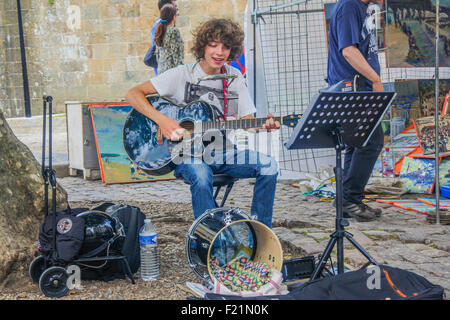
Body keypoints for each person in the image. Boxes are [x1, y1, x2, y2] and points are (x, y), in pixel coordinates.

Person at [126, 19, 280, 228]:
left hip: (223, 151)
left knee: (269, 166)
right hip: (186, 154)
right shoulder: (183, 74)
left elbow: (246, 121)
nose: (220, 52)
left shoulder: (234, 77)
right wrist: (163, 121)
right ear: (203, 46)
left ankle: (262, 232)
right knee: (200, 174)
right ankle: (210, 237)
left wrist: (263, 125)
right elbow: (133, 93)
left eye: (226, 47)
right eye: (213, 45)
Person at [327, 0, 384, 222]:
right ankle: (349, 198)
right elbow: (349, 51)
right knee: (371, 141)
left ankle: (347, 200)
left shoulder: (357, 7)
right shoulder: (350, 6)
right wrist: (375, 79)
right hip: (353, 87)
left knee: (357, 143)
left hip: (356, 86)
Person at [154, 3, 184, 74]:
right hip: (172, 73)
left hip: (161, 71)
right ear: (174, 17)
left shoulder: (160, 31)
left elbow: (157, 55)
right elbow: (177, 56)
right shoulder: (174, 31)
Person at [150, 0, 177, 74]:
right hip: (167, 71)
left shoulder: (162, 24)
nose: (177, 9)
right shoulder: (163, 26)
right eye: (175, 6)